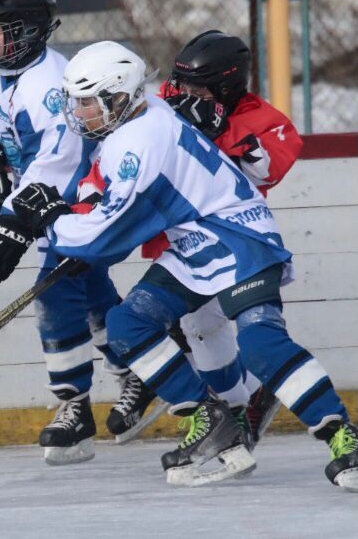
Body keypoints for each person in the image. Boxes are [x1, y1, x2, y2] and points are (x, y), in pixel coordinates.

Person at [0, 39, 358, 489]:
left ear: (117, 98)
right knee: (127, 324)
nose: (77, 113)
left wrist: (54, 224)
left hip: (240, 241)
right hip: (194, 246)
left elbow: (103, 234)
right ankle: (213, 421)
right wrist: (64, 217)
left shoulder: (142, 141)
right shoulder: (136, 120)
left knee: (260, 345)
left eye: (86, 103)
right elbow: (100, 195)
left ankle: (343, 438)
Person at [103, 30, 304, 446]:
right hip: (177, 237)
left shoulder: (264, 120)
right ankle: (243, 399)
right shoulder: (166, 102)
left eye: (196, 87)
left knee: (201, 325)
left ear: (226, 87)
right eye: (180, 83)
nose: (182, 92)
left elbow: (266, 170)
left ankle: (232, 411)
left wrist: (218, 136)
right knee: (189, 326)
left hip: (230, 241)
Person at [0, 0, 128, 465]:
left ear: (30, 32)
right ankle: (137, 368)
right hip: (40, 196)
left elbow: (59, 164)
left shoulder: (53, 86)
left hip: (80, 197)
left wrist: (9, 225)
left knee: (55, 289)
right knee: (88, 286)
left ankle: (74, 409)